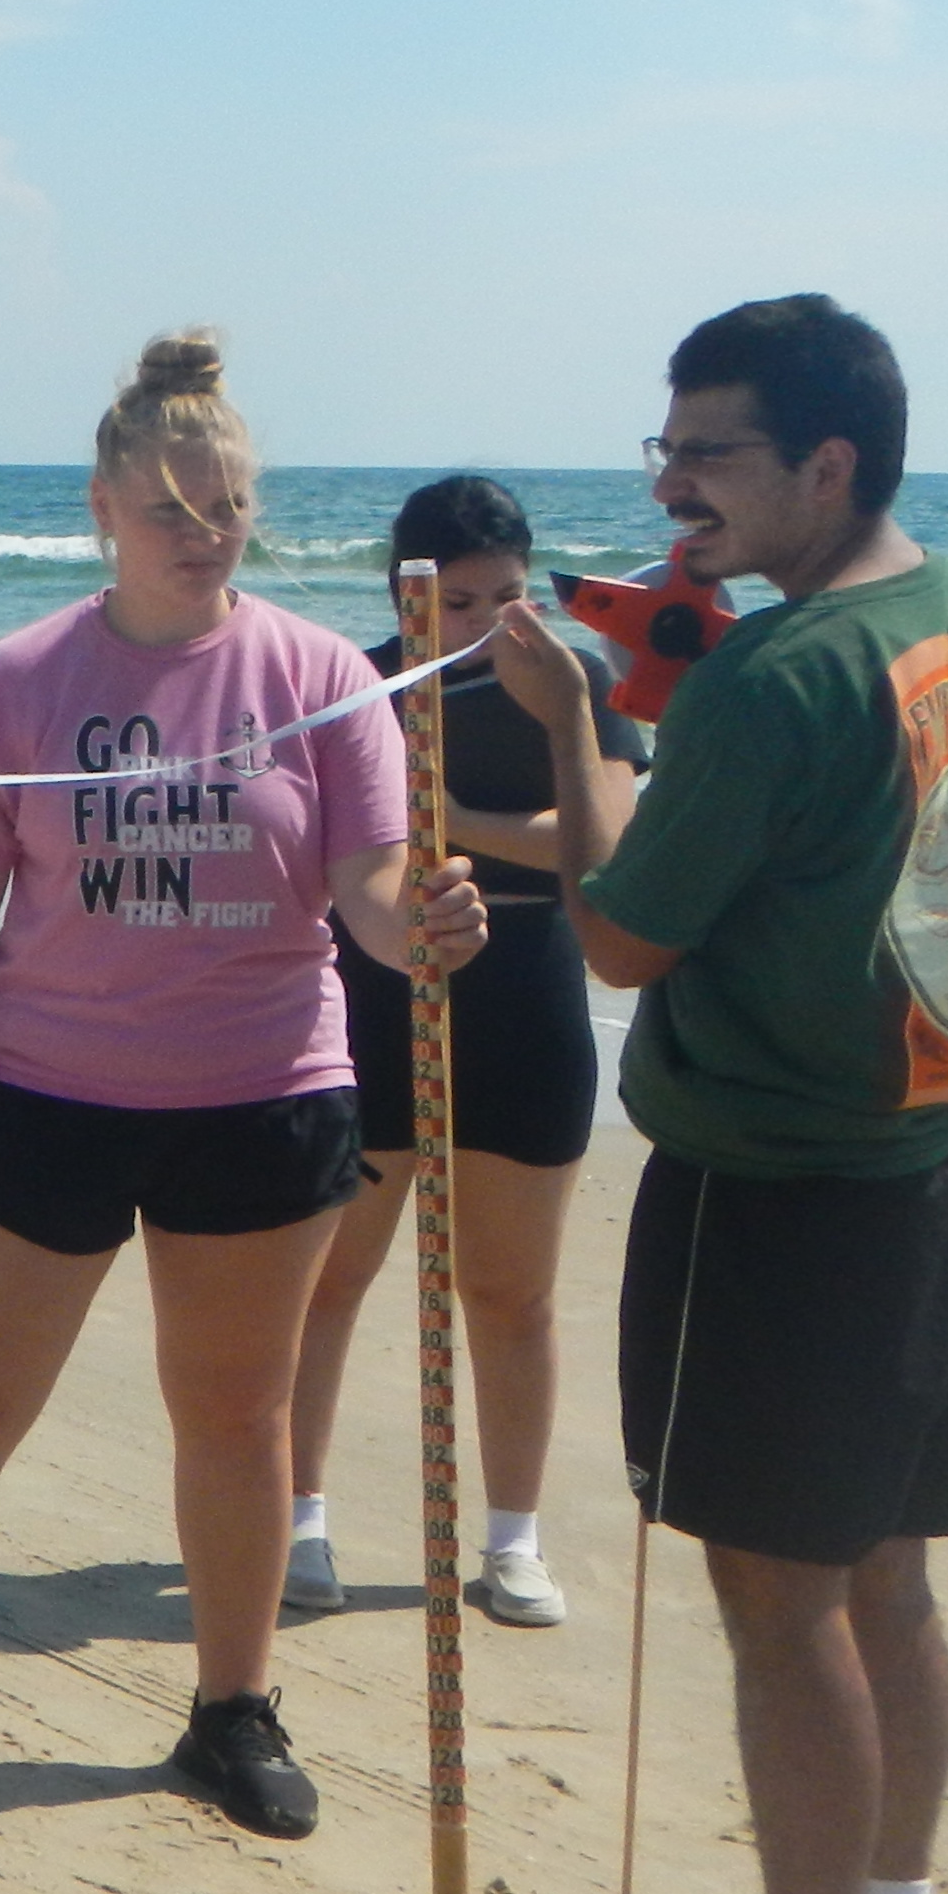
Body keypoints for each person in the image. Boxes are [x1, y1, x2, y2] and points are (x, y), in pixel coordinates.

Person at [486, 295, 948, 1894]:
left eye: (709, 453)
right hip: (943, 1167)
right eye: (663, 448)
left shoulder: (777, 676)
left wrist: (580, 728)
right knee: (885, 1578)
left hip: (780, 1189)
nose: (669, 489)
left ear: (824, 465)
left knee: (782, 1602)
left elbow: (616, 938)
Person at [0, 331, 484, 1842]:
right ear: (103, 509)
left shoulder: (324, 678)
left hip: (263, 1096)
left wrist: (423, 928)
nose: (206, 535)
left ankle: (232, 1711)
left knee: (237, 1416)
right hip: (46, 1098)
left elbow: (366, 888)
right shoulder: (17, 683)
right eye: (172, 510)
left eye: (229, 508)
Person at [280, 477, 645, 1628]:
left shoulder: (573, 684)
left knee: (509, 1290)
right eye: (462, 601)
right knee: (332, 1276)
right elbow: (317, 844)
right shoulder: (357, 685)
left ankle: (513, 1541)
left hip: (529, 993)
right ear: (409, 593)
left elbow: (606, 846)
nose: (491, 622)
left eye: (510, 595)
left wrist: (449, 818)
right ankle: (298, 1518)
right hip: (379, 991)